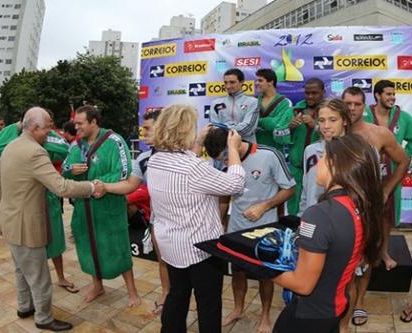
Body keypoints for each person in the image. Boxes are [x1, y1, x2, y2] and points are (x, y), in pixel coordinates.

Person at [0, 107, 101, 331]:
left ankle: (25, 307)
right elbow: (61, 187)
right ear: (34, 128)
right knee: (39, 276)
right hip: (26, 226)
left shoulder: (10, 146)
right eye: (48, 128)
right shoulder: (35, 152)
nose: (50, 133)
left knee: (21, 270)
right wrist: (91, 187)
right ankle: (43, 318)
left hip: (10, 222)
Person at [147, 104, 246, 333]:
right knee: (208, 305)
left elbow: (182, 164)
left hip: (171, 246)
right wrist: (232, 148)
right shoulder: (194, 168)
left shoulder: (156, 161)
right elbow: (235, 183)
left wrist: (199, 143)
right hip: (202, 249)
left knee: (177, 296)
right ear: (186, 131)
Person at [271, 134, 384, 333]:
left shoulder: (319, 214)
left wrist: (258, 267)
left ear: (336, 164)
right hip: (336, 307)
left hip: (310, 315)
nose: (318, 162)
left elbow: (303, 285)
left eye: (322, 157)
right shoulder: (358, 206)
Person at [204, 127, 295, 332]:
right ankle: (238, 309)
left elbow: (290, 188)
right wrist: (219, 223)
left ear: (234, 143)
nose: (225, 163)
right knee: (237, 272)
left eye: (226, 157)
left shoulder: (269, 155)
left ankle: (265, 317)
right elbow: (224, 196)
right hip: (236, 228)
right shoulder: (222, 163)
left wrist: (265, 206)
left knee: (265, 275)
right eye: (221, 160)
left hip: (265, 230)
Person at [339, 87, 409, 330]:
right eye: (348, 104)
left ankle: (359, 302)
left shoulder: (378, 134)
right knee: (342, 256)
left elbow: (403, 161)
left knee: (366, 257)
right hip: (340, 207)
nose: (352, 109)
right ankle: (340, 302)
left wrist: (387, 189)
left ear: (364, 104)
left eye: (357, 104)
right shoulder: (333, 132)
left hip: (369, 208)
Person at [0, 113, 81, 293]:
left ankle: (61, 277)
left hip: (49, 196)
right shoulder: (15, 137)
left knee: (55, 240)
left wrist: (38, 141)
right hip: (26, 202)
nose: (49, 128)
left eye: (50, 124)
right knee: (30, 249)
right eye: (46, 125)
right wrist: (16, 129)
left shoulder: (48, 136)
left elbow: (64, 149)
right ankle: (34, 290)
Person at [63, 105, 141, 306]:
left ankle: (132, 291)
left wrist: (98, 183)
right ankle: (97, 286)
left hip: (109, 208)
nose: (76, 127)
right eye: (75, 123)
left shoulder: (114, 141)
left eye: (80, 123)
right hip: (84, 208)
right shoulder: (76, 145)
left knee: (119, 246)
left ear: (94, 122)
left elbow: (124, 172)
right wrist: (72, 170)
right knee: (89, 246)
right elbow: (64, 169)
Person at [102, 110, 170, 314]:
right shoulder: (143, 158)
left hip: (185, 223)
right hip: (158, 222)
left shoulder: (185, 155)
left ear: (163, 128)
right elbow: (130, 185)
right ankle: (166, 294)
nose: (143, 133)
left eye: (148, 128)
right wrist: (103, 187)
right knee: (163, 261)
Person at [365, 80, 412, 228]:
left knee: (387, 215)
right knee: (366, 214)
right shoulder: (365, 115)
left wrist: (405, 154)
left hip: (392, 174)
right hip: (368, 174)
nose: (392, 97)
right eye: (388, 94)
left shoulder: (403, 117)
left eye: (394, 94)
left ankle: (383, 250)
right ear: (377, 95)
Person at [299, 98, 351, 214]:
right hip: (314, 218)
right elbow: (307, 189)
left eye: (332, 120)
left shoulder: (360, 152)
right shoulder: (311, 151)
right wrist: (302, 216)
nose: (326, 126)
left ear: (345, 121)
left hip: (345, 220)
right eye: (321, 120)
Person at [287, 78, 326, 215]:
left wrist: (315, 125)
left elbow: (336, 134)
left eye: (314, 93)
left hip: (318, 168)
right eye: (307, 93)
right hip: (296, 167)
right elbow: (281, 135)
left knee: (315, 205)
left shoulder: (329, 110)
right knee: (293, 206)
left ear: (323, 92)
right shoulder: (296, 109)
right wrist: (290, 127)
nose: (310, 96)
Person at [209, 68, 259, 141]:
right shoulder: (216, 103)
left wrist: (225, 127)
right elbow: (214, 128)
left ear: (241, 82)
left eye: (232, 82)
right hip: (224, 147)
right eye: (225, 83)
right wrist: (234, 127)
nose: (228, 86)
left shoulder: (253, 102)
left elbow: (248, 128)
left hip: (247, 147)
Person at [255, 68, 292, 152]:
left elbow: (276, 124)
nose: (257, 83)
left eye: (260, 80)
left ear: (270, 82)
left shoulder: (284, 102)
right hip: (256, 148)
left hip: (275, 149)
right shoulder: (255, 101)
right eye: (257, 80)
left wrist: (257, 121)